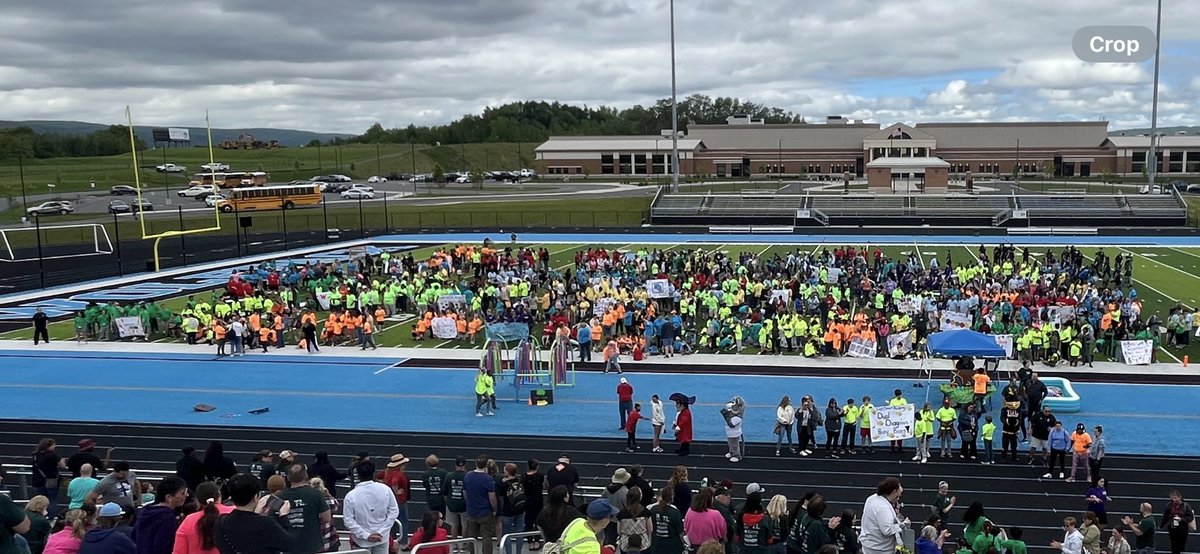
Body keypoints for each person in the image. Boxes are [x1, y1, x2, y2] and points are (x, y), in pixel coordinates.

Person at [213, 473, 295, 554]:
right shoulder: (266, 523)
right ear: (256, 497)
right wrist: (284, 516)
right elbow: (289, 545)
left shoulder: (220, 522)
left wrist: (257, 514)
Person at [343, 461, 399, 554]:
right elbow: (394, 511)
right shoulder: (385, 489)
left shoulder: (351, 496)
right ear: (374, 474)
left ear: (359, 476)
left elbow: (348, 521)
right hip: (382, 539)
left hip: (361, 541)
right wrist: (381, 531)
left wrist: (366, 535)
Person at [278, 464, 332, 554]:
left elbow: (273, 518)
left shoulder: (280, 496)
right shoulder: (316, 494)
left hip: (288, 543)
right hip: (311, 543)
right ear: (306, 476)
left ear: (288, 478)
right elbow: (327, 518)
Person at [172, 482, 234, 554]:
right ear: (219, 494)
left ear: (198, 500)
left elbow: (179, 552)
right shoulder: (234, 513)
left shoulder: (189, 520)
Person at [132, 476, 189, 554]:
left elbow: (134, 536)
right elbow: (164, 546)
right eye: (183, 493)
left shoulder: (145, 511)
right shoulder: (167, 518)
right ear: (169, 497)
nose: (186, 495)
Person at [859, 478, 907, 554]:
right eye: (897, 496)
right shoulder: (883, 508)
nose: (898, 499)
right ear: (894, 492)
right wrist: (903, 525)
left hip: (868, 545)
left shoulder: (872, 498)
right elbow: (887, 530)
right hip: (880, 549)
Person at [463, 455, 498, 554]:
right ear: (486, 465)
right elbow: (492, 497)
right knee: (486, 537)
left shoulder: (468, 475)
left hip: (472, 511)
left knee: (472, 536)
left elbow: (465, 493)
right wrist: (495, 509)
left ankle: (472, 552)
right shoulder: (487, 479)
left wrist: (469, 503)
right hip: (485, 513)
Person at [378, 454, 412, 541]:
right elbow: (394, 483)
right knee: (403, 521)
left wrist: (384, 486)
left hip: (389, 501)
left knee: (391, 521)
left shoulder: (387, 472)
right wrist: (395, 492)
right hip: (399, 501)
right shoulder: (398, 474)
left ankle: (391, 539)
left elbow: (377, 477)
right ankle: (403, 541)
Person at [31, 439, 67, 519]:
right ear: (48, 446)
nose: (55, 447)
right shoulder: (53, 455)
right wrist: (62, 460)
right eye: (53, 445)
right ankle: (51, 518)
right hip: (51, 481)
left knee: (38, 501)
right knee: (52, 500)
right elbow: (62, 466)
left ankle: (38, 517)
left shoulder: (35, 455)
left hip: (37, 481)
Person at [499, 464, 528, 554]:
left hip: (507, 512)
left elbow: (501, 498)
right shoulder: (520, 480)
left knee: (507, 535)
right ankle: (518, 552)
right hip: (520, 509)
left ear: (507, 471)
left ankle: (509, 552)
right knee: (519, 534)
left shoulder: (503, 484)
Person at [441, 456, 468, 546]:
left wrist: (448, 502)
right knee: (465, 525)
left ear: (455, 465)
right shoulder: (467, 476)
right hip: (464, 504)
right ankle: (464, 545)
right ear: (465, 465)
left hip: (452, 504)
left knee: (453, 525)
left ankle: (455, 545)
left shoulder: (449, 476)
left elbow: (444, 492)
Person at [617, 486, 653, 554]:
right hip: (643, 542)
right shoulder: (646, 512)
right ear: (640, 497)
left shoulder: (621, 513)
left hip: (626, 543)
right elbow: (650, 529)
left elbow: (619, 531)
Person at [522, 460, 546, 551]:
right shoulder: (540, 476)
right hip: (538, 501)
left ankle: (530, 542)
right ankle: (536, 541)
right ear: (537, 466)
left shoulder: (524, 476)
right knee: (537, 521)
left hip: (528, 501)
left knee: (528, 522)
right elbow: (544, 486)